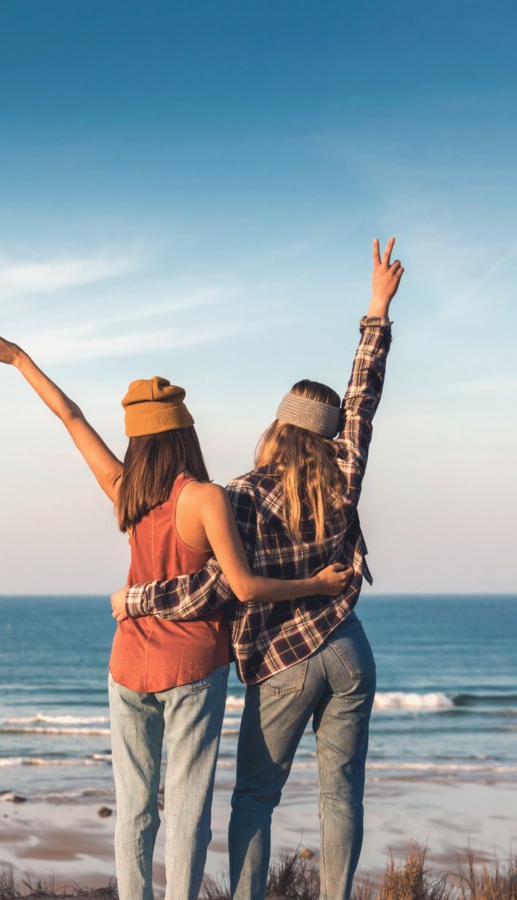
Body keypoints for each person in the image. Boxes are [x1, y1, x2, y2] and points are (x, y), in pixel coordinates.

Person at [0, 327, 351, 900]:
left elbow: (71, 418)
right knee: (188, 809)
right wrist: (315, 582)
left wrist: (20, 359)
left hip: (127, 666)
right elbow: (242, 587)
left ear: (139, 439)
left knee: (134, 808)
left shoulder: (123, 488)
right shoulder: (205, 497)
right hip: (193, 667)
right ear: (186, 433)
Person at [114, 237, 404, 900]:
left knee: (255, 798)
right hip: (350, 648)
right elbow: (363, 397)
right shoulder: (345, 475)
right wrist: (377, 309)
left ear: (278, 428)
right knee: (341, 794)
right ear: (327, 436)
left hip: (284, 663)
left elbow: (217, 587)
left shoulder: (240, 495)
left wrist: (140, 600)